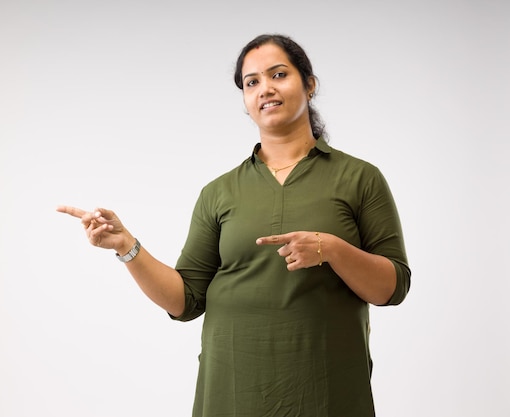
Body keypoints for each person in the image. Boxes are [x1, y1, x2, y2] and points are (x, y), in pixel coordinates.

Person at [57, 33, 410, 417]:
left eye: (279, 74)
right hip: (232, 391)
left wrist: (333, 249)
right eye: (251, 82)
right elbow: (186, 300)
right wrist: (126, 246)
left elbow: (392, 287)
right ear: (245, 100)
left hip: (326, 392)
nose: (265, 89)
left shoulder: (359, 178)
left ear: (309, 85)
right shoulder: (219, 192)